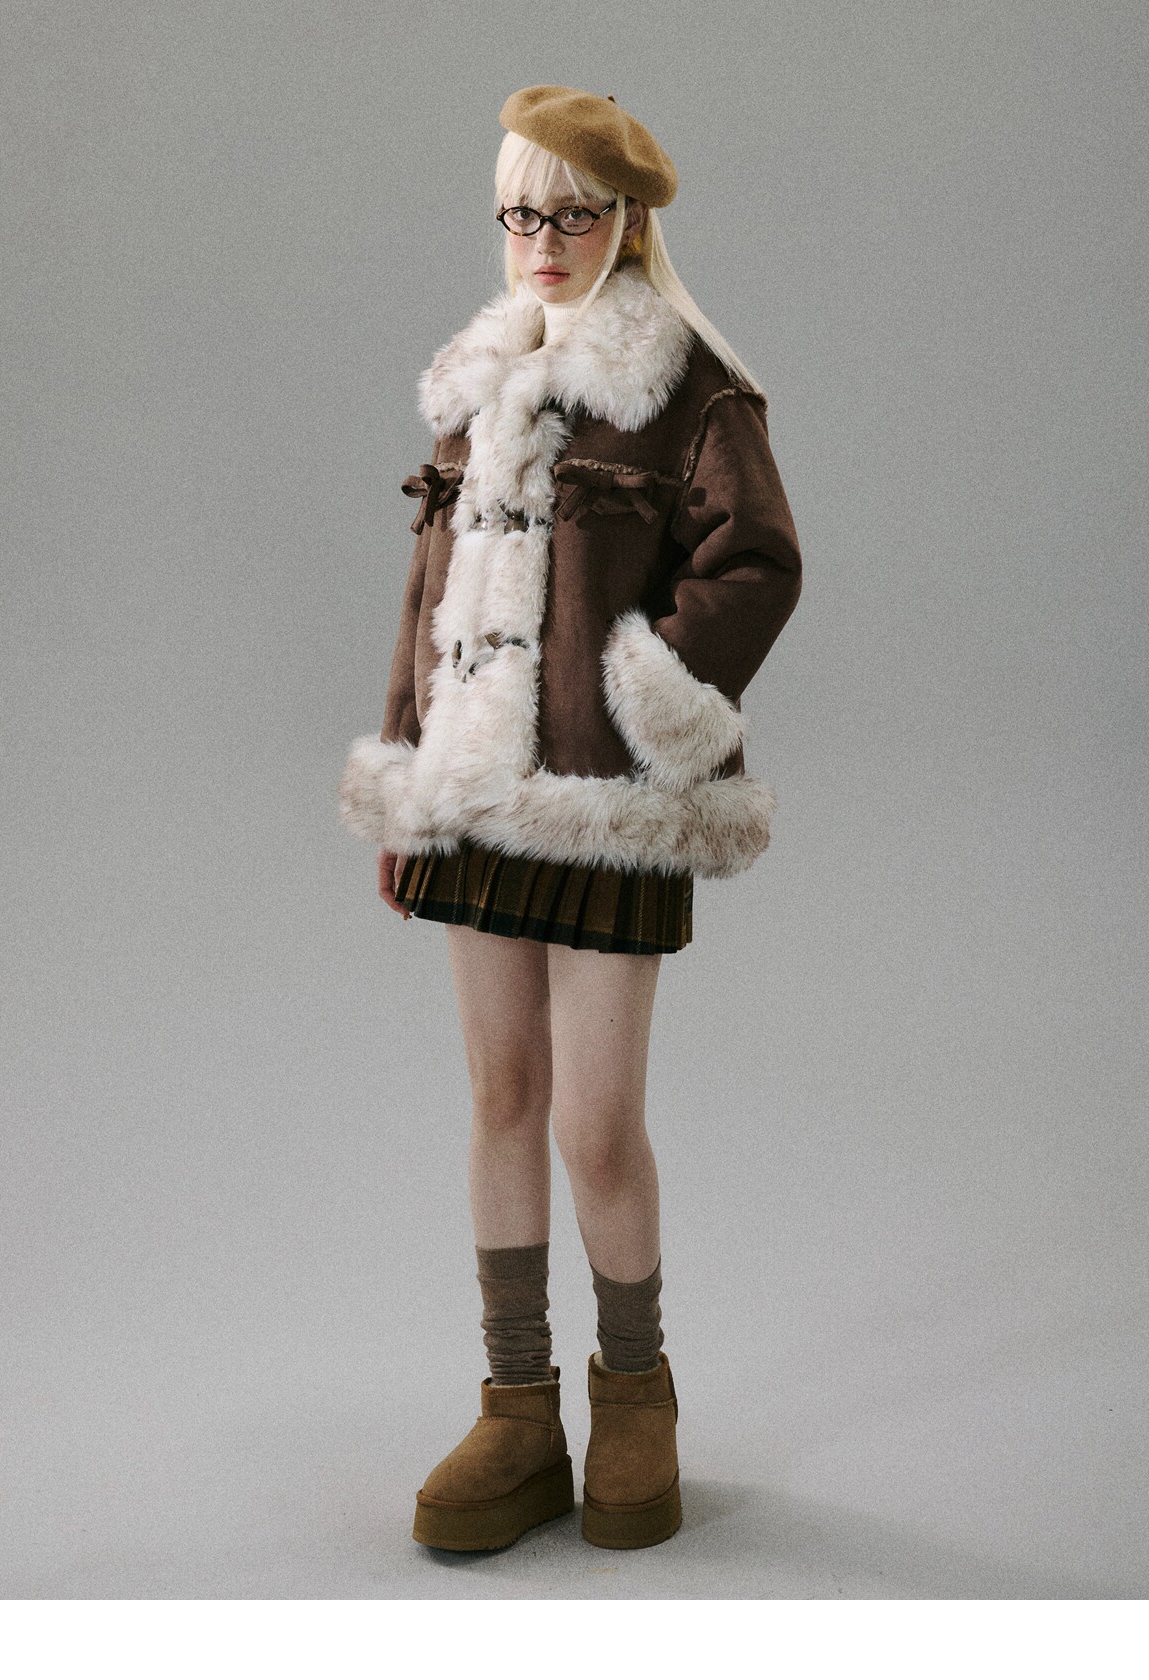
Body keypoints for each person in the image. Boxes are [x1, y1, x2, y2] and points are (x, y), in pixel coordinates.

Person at [339, 85, 802, 1553]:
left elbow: (759, 561)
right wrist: (409, 777)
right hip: (479, 799)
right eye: (518, 213)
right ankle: (519, 1409)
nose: (541, 241)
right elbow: (428, 598)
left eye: (573, 213)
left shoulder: (693, 390)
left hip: (608, 801)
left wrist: (650, 692)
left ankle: (637, 1395)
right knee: (500, 1100)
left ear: (630, 222)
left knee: (598, 1128)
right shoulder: (480, 379)